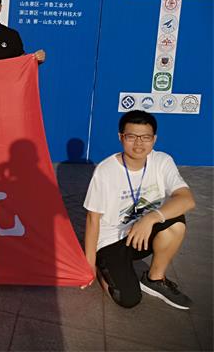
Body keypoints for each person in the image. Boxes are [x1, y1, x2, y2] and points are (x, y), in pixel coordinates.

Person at [83, 110, 195, 309]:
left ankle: (155, 279)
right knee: (128, 299)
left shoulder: (162, 161)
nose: (138, 144)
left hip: (142, 233)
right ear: (121, 137)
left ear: (154, 139)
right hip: (111, 240)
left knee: (176, 221)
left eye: (145, 137)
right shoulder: (105, 170)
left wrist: (150, 218)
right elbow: (93, 219)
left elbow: (186, 199)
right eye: (131, 137)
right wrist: (89, 263)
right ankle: (103, 269)